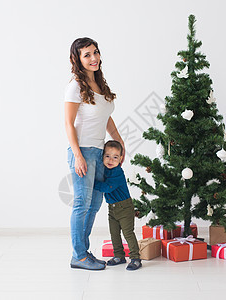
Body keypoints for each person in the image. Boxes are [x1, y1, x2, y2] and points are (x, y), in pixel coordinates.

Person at [65, 37, 125, 270]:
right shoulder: (75, 86)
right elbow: (68, 123)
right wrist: (78, 155)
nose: (93, 58)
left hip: (100, 152)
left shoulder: (100, 85)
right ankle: (78, 256)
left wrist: (118, 141)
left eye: (95, 52)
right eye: (87, 54)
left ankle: (83, 252)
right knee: (82, 203)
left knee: (95, 202)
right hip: (83, 151)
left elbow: (105, 117)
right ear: (78, 59)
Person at [94, 140, 142, 271]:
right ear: (103, 156)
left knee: (128, 233)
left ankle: (135, 258)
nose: (111, 160)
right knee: (114, 233)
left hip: (125, 207)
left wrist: (91, 184)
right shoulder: (104, 169)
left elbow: (108, 187)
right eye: (107, 156)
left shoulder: (117, 172)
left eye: (115, 157)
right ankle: (119, 256)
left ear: (121, 159)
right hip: (112, 208)